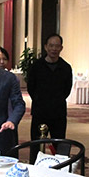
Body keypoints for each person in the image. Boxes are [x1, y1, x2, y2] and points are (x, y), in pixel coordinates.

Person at [26, 33, 73, 162]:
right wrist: (40, 100)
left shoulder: (65, 67)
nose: (54, 49)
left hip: (58, 113)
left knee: (60, 145)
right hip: (40, 112)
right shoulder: (36, 66)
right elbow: (31, 87)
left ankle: (60, 168)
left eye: (57, 46)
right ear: (46, 47)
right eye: (51, 46)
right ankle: (35, 167)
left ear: (61, 48)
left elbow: (67, 89)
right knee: (36, 145)